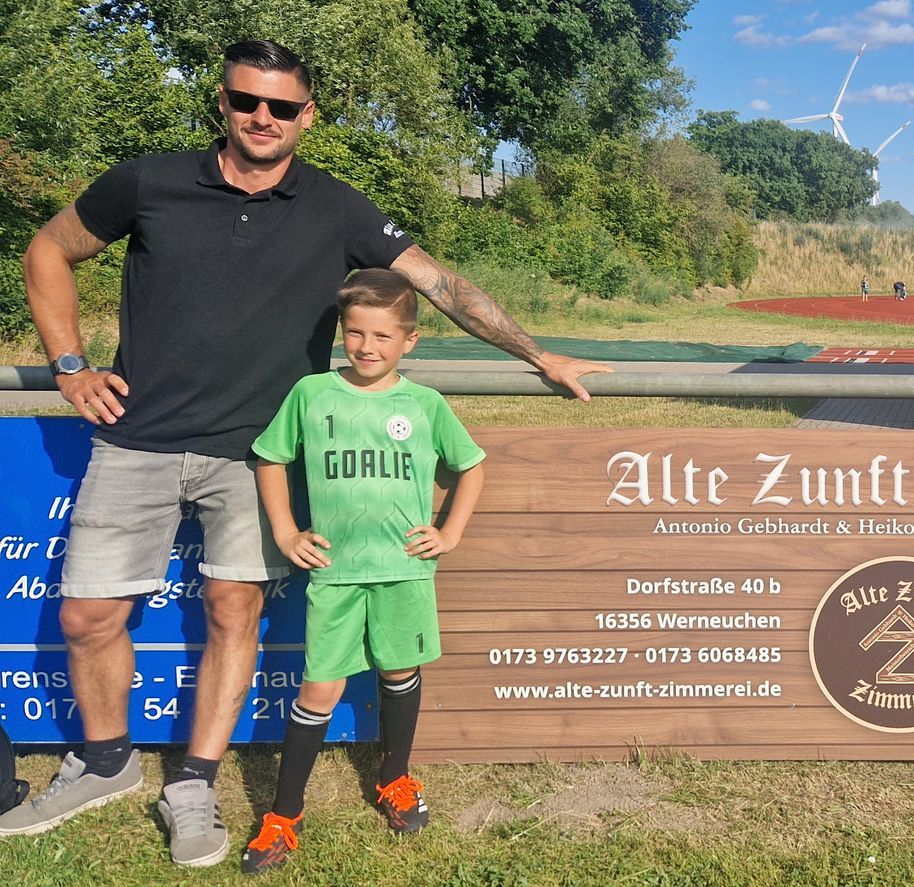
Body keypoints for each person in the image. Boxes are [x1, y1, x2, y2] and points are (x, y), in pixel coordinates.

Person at [0, 39, 605, 866]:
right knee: (87, 613)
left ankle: (195, 783)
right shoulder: (147, 182)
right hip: (138, 435)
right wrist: (69, 365)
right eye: (247, 100)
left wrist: (539, 353)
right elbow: (48, 249)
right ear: (222, 102)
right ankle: (105, 761)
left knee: (234, 609)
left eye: (282, 106)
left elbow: (441, 286)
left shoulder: (339, 207)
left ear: (307, 115)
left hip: (258, 453)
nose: (263, 117)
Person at [239, 270, 482, 874]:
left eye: (382, 336)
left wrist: (449, 532)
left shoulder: (424, 404)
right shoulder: (312, 393)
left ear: (410, 341)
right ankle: (284, 814)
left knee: (399, 670)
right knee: (320, 687)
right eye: (355, 333)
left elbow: (471, 466)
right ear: (342, 332)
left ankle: (394, 777)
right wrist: (286, 532)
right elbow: (270, 458)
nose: (366, 347)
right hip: (335, 573)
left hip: (404, 571)